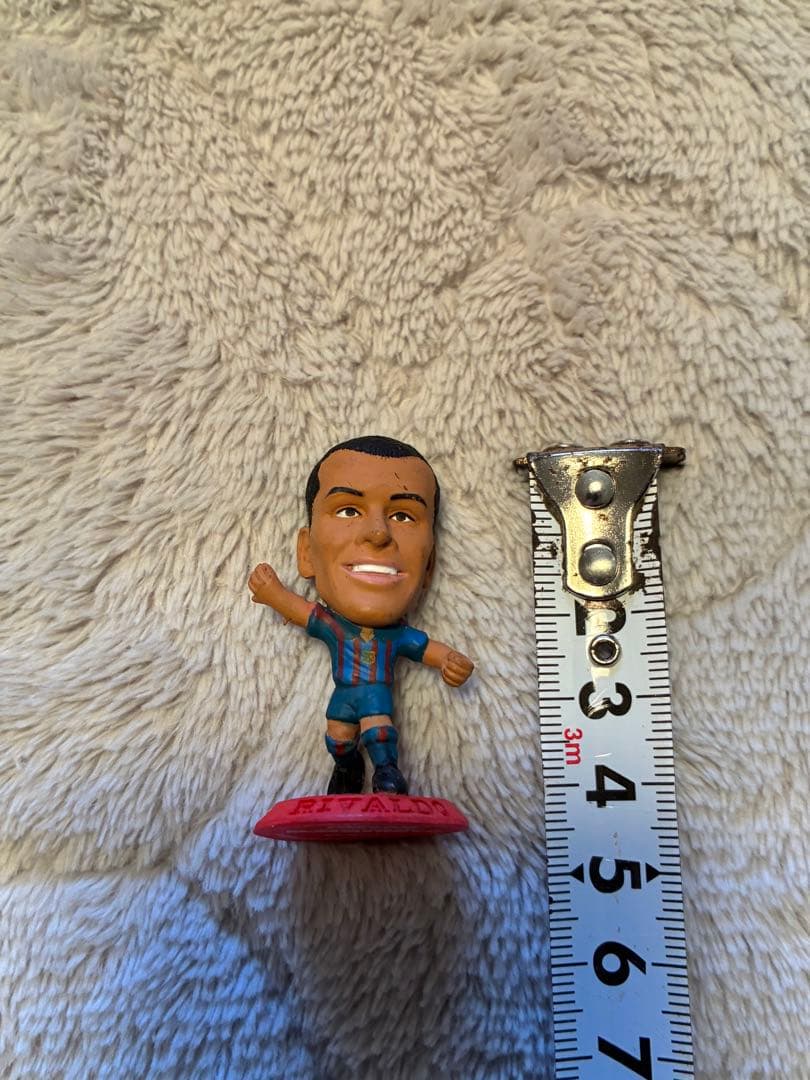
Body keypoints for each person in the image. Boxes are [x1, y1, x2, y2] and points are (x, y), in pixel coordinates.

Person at [248, 435, 474, 795]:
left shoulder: (396, 636)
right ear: (306, 553)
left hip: (374, 694)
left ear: (430, 564)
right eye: (348, 511)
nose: (378, 533)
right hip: (344, 694)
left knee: (378, 728)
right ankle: (346, 767)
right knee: (337, 737)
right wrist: (274, 595)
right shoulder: (334, 627)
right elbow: (304, 612)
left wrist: (449, 660)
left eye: (403, 515)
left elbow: (427, 648)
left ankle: (386, 772)